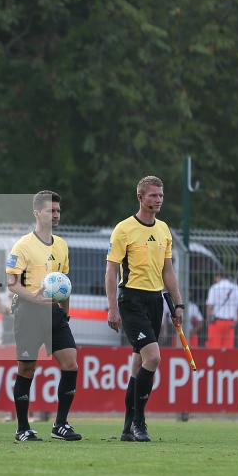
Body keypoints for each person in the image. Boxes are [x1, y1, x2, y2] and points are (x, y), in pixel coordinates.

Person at [105, 176, 185, 443]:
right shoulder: (124, 229)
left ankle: (127, 428)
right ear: (140, 197)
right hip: (131, 300)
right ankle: (140, 423)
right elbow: (112, 269)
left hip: (155, 300)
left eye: (161, 195)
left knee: (138, 364)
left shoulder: (163, 229)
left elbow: (168, 270)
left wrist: (178, 303)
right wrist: (112, 308)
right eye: (153, 196)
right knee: (153, 357)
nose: (158, 199)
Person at [6, 190, 82, 442]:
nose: (56, 214)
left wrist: (66, 310)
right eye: (51, 210)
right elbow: (12, 283)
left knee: (71, 363)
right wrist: (33, 297)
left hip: (54, 313)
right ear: (37, 213)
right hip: (28, 312)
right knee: (27, 368)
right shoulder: (23, 245)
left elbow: (64, 281)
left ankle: (60, 424)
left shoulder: (61, 245)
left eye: (58, 210)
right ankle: (22, 428)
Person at [205, 271, 238, 349]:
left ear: (218, 276)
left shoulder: (214, 288)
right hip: (231, 323)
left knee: (214, 350)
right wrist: (236, 322)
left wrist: (208, 321)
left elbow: (209, 307)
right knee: (227, 351)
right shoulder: (236, 288)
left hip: (216, 323)